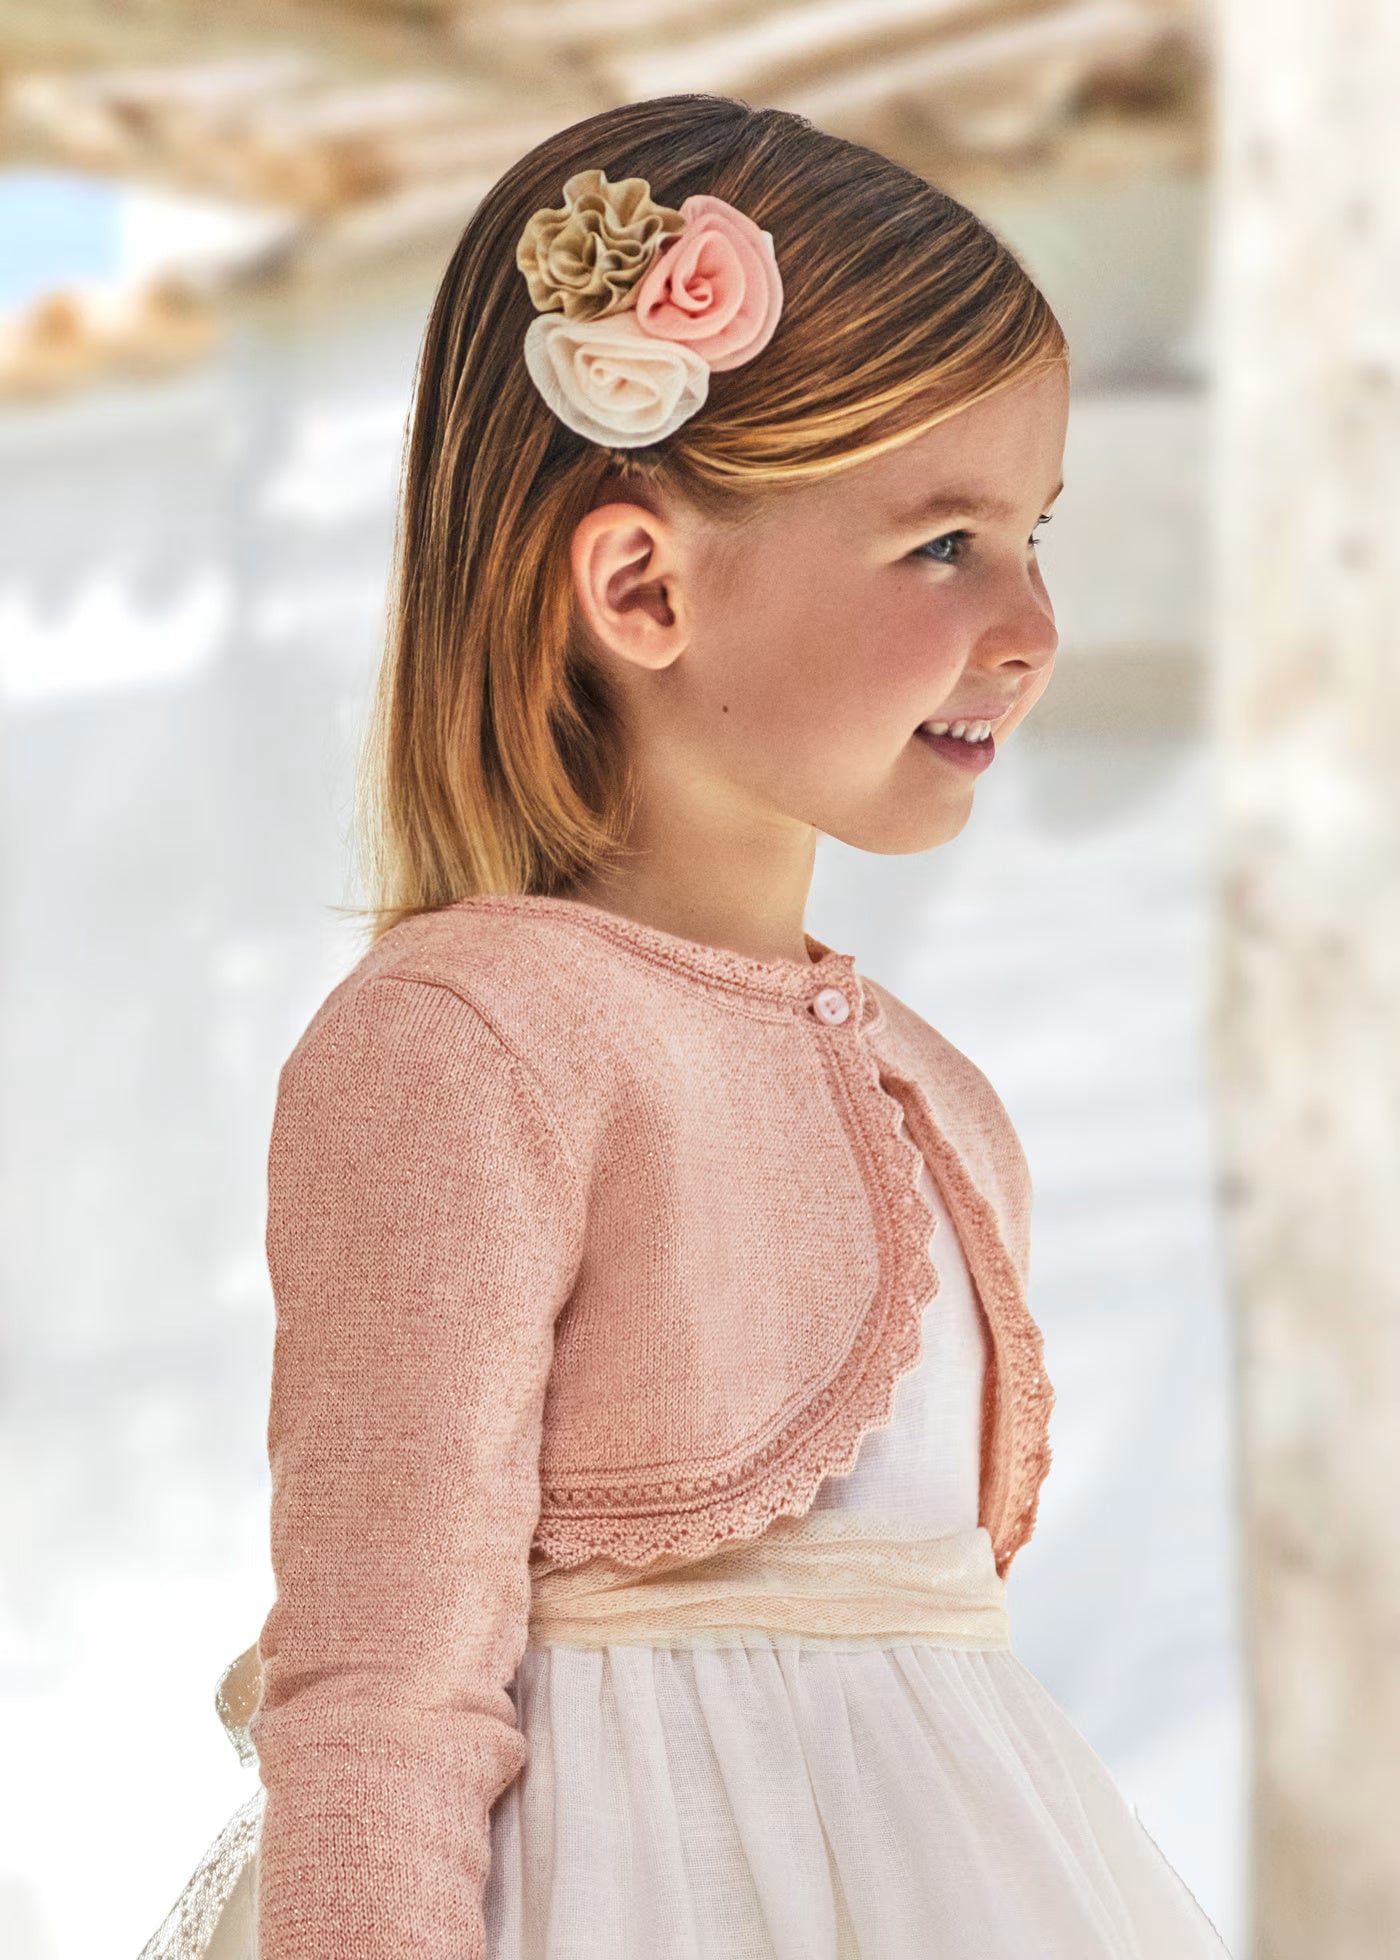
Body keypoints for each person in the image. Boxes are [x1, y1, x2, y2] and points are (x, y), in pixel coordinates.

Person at [137, 91, 1234, 1960]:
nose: (1032, 624)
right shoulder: (468, 1045)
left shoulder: (942, 1098)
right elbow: (383, 1686)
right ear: (641, 585)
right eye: (942, 544)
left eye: (1033, 533)